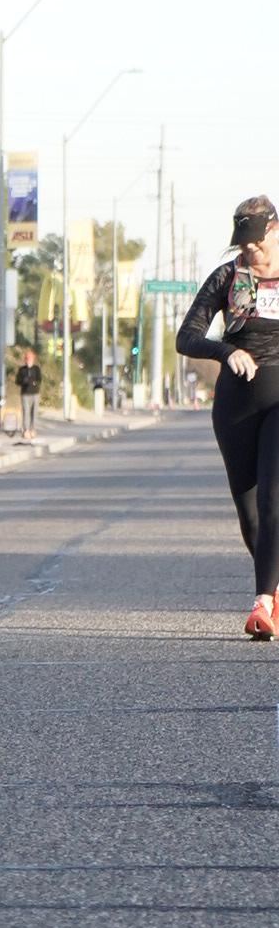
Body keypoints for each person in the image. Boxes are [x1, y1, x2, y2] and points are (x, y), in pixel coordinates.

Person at [176, 193, 279, 637]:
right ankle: (275, 590)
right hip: (236, 404)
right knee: (250, 513)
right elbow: (186, 337)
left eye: (257, 242)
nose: (250, 250)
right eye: (243, 243)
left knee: (274, 498)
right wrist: (225, 351)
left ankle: (262, 603)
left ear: (274, 230)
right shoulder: (227, 276)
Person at [15, 347, 44, 436]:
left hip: (35, 393)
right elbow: (17, 381)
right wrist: (24, 381)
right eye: (27, 358)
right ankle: (26, 430)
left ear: (33, 359)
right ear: (25, 360)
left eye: (30, 358)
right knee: (26, 412)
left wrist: (34, 382)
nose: (28, 360)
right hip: (25, 394)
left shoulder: (36, 369)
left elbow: (39, 379)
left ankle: (33, 429)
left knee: (34, 412)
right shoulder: (22, 370)